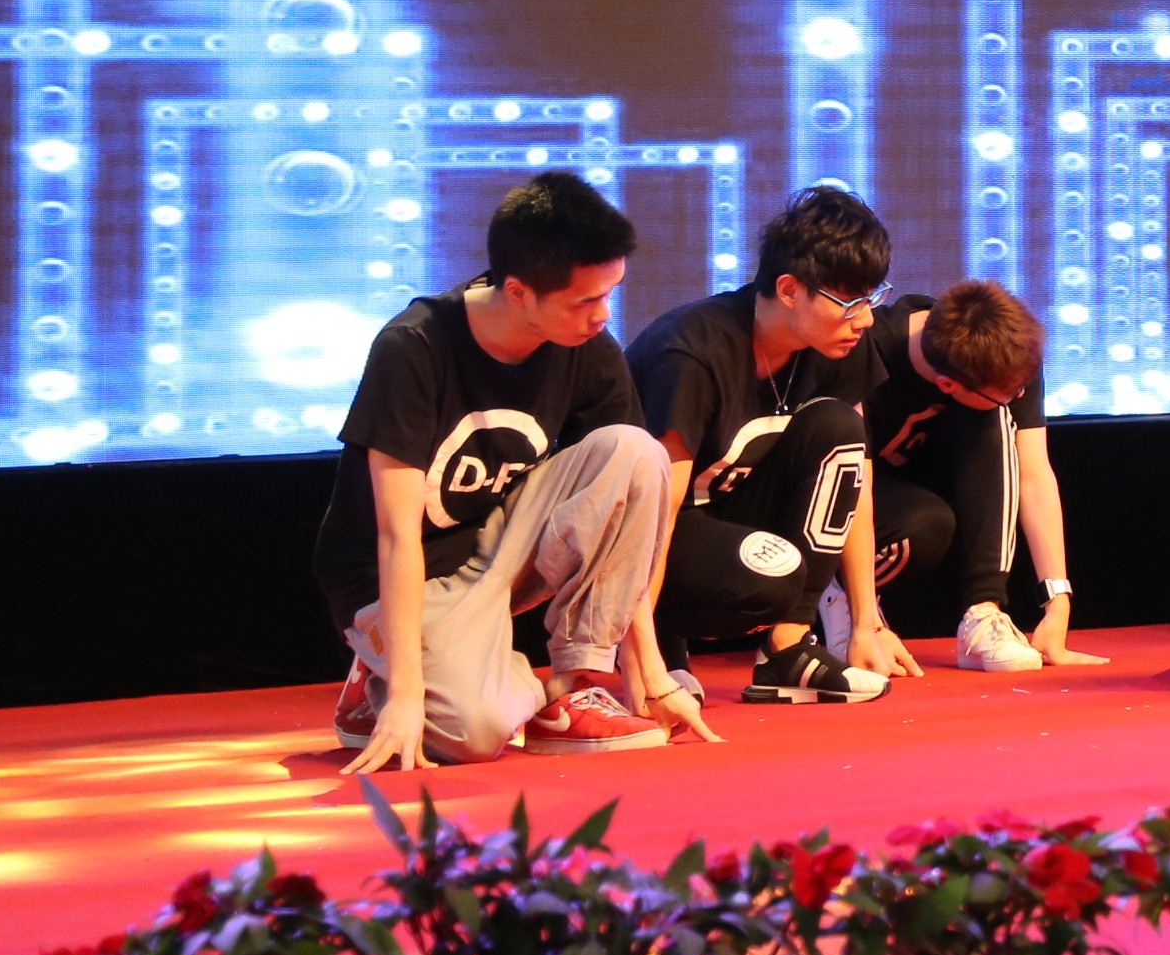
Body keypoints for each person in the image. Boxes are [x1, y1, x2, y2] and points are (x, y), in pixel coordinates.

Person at [313, 172, 717, 770]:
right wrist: (404, 696)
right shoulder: (413, 347)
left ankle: (575, 686)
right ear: (520, 293)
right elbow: (395, 535)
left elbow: (628, 519)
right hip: (402, 578)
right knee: (473, 736)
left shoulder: (588, 346)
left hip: (504, 546)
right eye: (584, 301)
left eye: (610, 294)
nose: (603, 315)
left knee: (637, 451)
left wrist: (651, 677)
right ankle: (377, 678)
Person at [627, 186, 913, 706]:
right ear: (789, 290)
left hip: (728, 511)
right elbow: (652, 517)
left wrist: (865, 626)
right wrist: (645, 665)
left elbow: (854, 479)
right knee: (771, 574)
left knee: (840, 430)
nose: (866, 318)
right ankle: (661, 643)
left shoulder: (839, 341)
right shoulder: (692, 352)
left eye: (872, 298)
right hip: (648, 530)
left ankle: (787, 651)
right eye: (850, 301)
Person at [853, 277, 1102, 674]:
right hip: (852, 497)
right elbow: (851, 482)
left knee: (994, 419)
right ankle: (838, 605)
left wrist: (1057, 605)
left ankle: (984, 613)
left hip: (930, 484)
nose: (1021, 396)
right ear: (947, 384)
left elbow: (1034, 474)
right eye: (1013, 391)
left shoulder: (1006, 354)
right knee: (926, 522)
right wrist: (866, 623)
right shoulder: (867, 348)